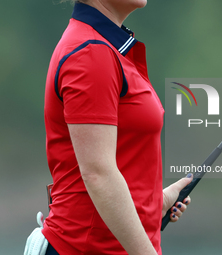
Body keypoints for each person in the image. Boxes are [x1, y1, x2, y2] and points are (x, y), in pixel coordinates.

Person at [26, 1, 193, 254]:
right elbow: (98, 174)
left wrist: (152, 204)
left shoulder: (107, 48)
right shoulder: (91, 52)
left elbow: (110, 164)